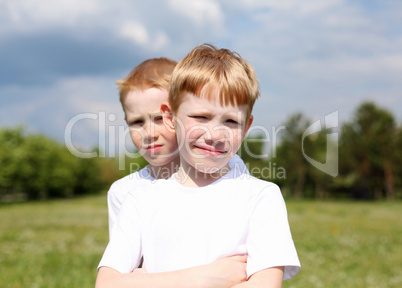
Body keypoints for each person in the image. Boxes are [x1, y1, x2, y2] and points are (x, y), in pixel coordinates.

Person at [96, 44, 300, 288]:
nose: (214, 134)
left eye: (231, 121)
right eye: (200, 117)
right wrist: (205, 279)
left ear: (247, 128)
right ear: (171, 118)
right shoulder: (139, 199)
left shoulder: (261, 197)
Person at [103, 57, 251, 287]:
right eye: (137, 122)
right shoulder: (125, 192)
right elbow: (122, 274)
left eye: (159, 119)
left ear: (176, 116)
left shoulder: (232, 169)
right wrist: (205, 277)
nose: (149, 132)